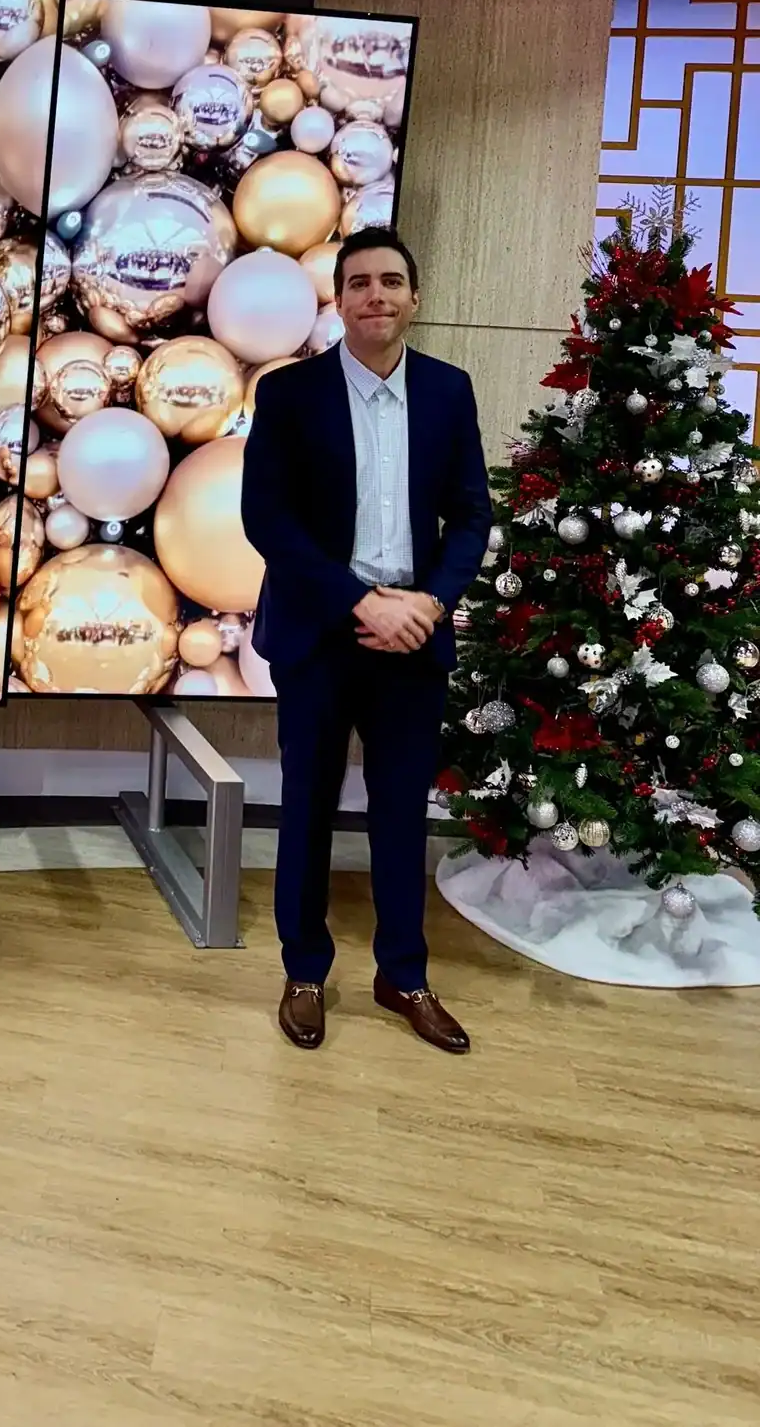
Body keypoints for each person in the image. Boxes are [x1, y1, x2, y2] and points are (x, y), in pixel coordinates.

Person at [241, 229, 491, 1054]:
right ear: (339, 300)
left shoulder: (450, 392)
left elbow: (471, 516)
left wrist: (429, 602)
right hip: (321, 631)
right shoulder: (289, 394)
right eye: (359, 283)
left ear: (414, 298)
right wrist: (361, 601)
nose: (376, 295)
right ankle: (305, 970)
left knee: (399, 812)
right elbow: (267, 521)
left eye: (392, 281)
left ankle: (403, 974)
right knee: (308, 805)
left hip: (413, 637)